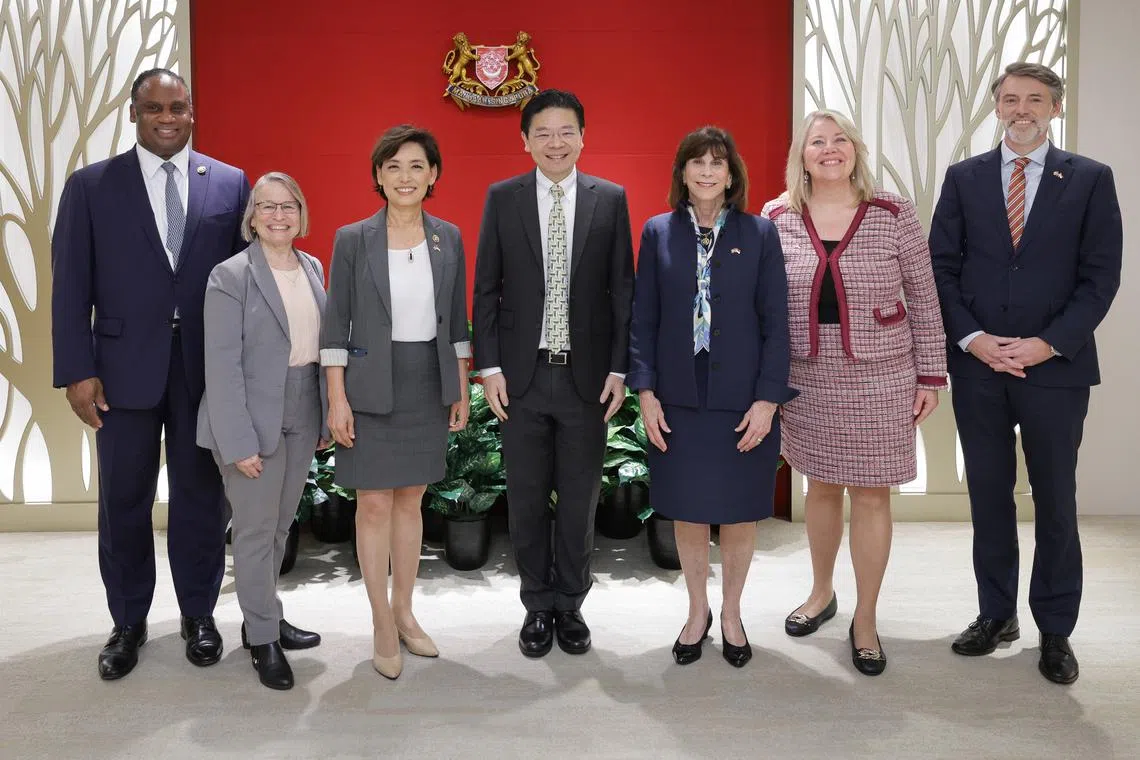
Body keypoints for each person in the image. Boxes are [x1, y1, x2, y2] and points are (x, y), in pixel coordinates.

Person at [51, 68, 250, 680]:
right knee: (123, 501)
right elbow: (69, 285)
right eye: (154, 108)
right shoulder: (91, 186)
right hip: (118, 373)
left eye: (179, 107)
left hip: (203, 373)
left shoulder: (230, 182)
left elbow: (246, 282)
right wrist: (76, 370)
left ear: (193, 112)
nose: (167, 117)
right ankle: (128, 621)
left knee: (200, 498)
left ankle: (198, 615)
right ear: (133, 113)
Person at [930, 62, 1122, 685]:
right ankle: (995, 615)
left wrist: (1047, 345)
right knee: (988, 498)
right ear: (996, 107)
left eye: (1035, 99)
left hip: (1055, 371)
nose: (1022, 109)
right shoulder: (964, 179)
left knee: (1056, 503)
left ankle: (1056, 631)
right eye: (1010, 99)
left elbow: (1101, 278)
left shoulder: (1091, 179)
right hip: (980, 366)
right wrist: (975, 340)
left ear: (1054, 108)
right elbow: (942, 267)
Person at [763, 110, 948, 676]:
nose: (829, 149)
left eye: (839, 139)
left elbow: (924, 292)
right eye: (817, 142)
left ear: (856, 150)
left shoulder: (893, 212)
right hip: (808, 374)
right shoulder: (776, 216)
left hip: (881, 373)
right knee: (820, 488)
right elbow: (762, 303)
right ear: (801, 156)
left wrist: (931, 374)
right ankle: (822, 593)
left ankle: (865, 617)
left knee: (871, 494)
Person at [472, 89, 634, 658]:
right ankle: (537, 604)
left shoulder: (609, 199)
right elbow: (486, 287)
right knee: (526, 497)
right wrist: (488, 367)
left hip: (587, 379)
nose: (555, 142)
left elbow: (623, 292)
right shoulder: (503, 197)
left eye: (566, 131)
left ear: (583, 137)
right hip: (521, 377)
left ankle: (571, 603)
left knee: (581, 498)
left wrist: (620, 367)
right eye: (543, 132)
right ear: (525, 141)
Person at [627, 126, 795, 668]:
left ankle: (732, 613)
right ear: (681, 173)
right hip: (677, 397)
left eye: (716, 163)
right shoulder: (658, 232)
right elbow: (643, 318)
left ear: (731, 175)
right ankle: (697, 611)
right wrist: (646, 391)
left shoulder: (760, 233)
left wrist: (769, 400)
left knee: (741, 512)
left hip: (742, 398)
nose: (705, 171)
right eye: (695, 163)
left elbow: (777, 322)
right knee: (689, 512)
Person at [321, 125, 470, 680]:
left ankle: (406, 611)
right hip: (368, 383)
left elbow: (455, 321)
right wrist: (336, 398)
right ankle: (380, 619)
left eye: (416, 166)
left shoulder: (448, 237)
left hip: (426, 381)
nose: (404, 177)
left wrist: (458, 386)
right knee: (375, 503)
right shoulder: (352, 239)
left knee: (411, 500)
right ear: (378, 176)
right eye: (393, 167)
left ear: (433, 175)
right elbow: (335, 324)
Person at [197, 172, 327, 690]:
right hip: (248, 418)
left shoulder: (313, 267)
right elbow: (221, 366)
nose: (278, 215)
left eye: (288, 205)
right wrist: (239, 442)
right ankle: (263, 640)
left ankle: (263, 618)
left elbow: (318, 354)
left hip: (301, 411)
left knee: (278, 530)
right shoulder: (229, 276)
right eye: (267, 206)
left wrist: (321, 412)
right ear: (252, 217)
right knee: (252, 534)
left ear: (301, 213)